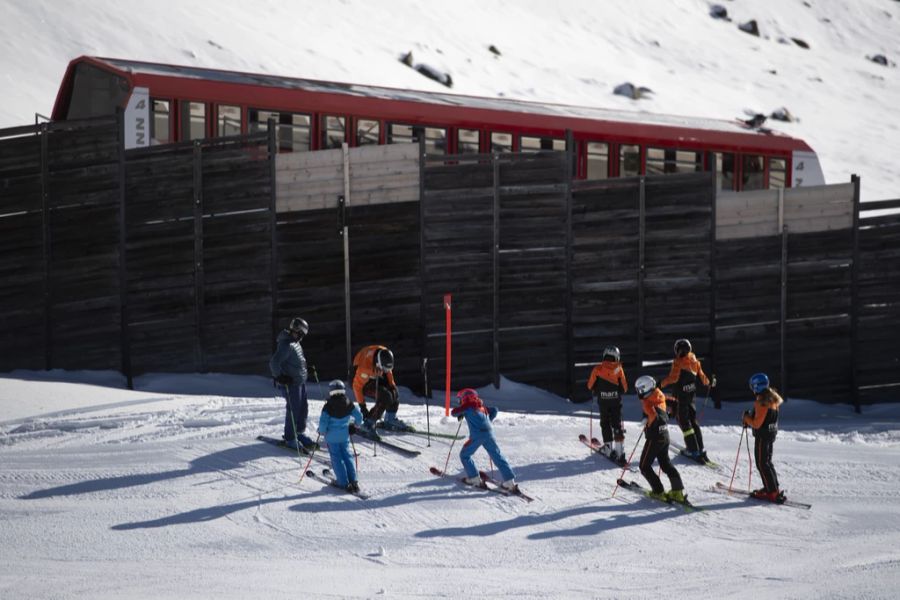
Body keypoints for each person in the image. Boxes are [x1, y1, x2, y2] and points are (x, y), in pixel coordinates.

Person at [659, 338, 715, 461]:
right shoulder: (694, 360)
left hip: (681, 398)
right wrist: (709, 382)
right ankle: (700, 448)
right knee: (693, 421)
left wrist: (660, 384)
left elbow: (672, 378)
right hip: (691, 397)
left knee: (685, 423)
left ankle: (693, 450)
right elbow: (702, 377)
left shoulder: (678, 362)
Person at [451, 388, 517, 491]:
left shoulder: (468, 405)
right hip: (489, 434)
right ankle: (510, 482)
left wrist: (462, 412)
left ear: (465, 397)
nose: (460, 402)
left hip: (477, 435)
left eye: (460, 399)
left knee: (464, 455)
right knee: (497, 456)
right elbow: (495, 409)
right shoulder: (481, 406)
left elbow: (453, 412)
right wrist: (488, 421)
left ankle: (474, 479)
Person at [634, 375, 686, 503]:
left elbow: (654, 414)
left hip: (655, 438)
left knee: (644, 466)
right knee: (665, 464)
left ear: (645, 389)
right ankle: (677, 491)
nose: (639, 393)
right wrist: (670, 413)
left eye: (640, 390)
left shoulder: (647, 401)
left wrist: (647, 421)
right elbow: (672, 401)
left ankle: (658, 491)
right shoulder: (658, 394)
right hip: (665, 436)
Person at [269, 317, 315, 450]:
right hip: (291, 384)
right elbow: (274, 362)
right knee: (293, 410)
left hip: (300, 382)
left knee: (303, 409)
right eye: (302, 334)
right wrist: (280, 377)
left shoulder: (294, 342)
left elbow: (296, 360)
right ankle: (290, 438)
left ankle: (299, 433)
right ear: (299, 332)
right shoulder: (286, 344)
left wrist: (306, 369)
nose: (302, 337)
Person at [742, 373, 785, 503]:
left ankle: (771, 492)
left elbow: (757, 423)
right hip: (770, 435)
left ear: (756, 387)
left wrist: (746, 418)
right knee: (767, 462)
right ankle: (772, 488)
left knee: (762, 463)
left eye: (752, 387)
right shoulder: (773, 399)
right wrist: (751, 416)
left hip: (762, 437)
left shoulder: (761, 402)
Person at [318, 380, 364, 493]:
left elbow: (323, 423)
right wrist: (355, 426)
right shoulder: (348, 403)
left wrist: (321, 431)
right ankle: (353, 481)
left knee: (337, 458)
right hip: (344, 437)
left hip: (331, 438)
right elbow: (359, 417)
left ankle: (343, 482)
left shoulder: (328, 406)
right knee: (347, 456)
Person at [351, 344, 409, 433]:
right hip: (360, 379)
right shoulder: (364, 367)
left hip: (375, 372)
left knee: (394, 393)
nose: (386, 371)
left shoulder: (384, 354)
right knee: (385, 396)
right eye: (384, 369)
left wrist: (392, 387)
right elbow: (357, 387)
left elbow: (388, 372)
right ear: (378, 363)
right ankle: (369, 422)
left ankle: (390, 419)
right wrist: (363, 408)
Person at [586, 345, 628, 462]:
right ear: (617, 357)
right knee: (617, 424)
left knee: (605, 423)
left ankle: (608, 449)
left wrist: (596, 388)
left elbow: (590, 386)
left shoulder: (597, 369)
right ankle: (620, 452)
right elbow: (624, 388)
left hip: (603, 402)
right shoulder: (619, 369)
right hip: (616, 402)